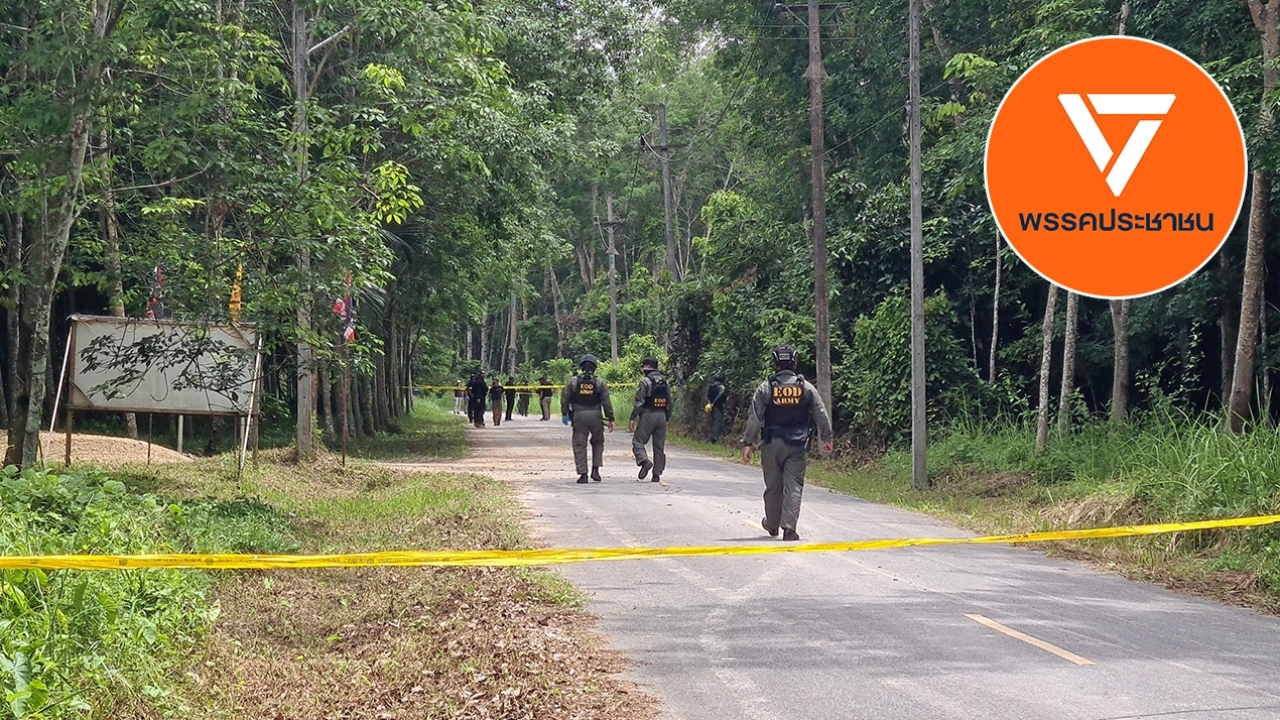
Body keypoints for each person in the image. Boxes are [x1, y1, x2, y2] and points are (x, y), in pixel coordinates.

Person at [741, 345, 833, 542]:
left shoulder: (766, 387)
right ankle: (789, 529)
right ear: (794, 362)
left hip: (771, 444)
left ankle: (772, 524)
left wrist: (748, 443)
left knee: (773, 486)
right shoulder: (805, 387)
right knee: (794, 486)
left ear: (774, 364)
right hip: (796, 445)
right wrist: (826, 437)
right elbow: (821, 413)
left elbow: (755, 418)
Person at [562, 355, 615, 483]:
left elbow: (565, 399)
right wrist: (611, 418)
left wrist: (565, 414)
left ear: (581, 367)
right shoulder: (599, 382)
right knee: (598, 443)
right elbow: (606, 402)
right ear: (595, 367)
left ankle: (583, 474)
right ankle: (596, 470)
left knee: (580, 445)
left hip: (579, 416)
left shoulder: (574, 381)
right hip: (596, 416)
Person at [629, 356, 671, 483]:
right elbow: (670, 402)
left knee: (638, 442)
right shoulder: (665, 382)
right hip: (662, 416)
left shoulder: (645, 382)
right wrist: (667, 418)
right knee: (659, 447)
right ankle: (656, 474)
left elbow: (639, 402)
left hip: (648, 414)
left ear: (647, 367)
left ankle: (644, 461)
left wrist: (633, 418)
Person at [707, 373, 727, 443]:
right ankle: (714, 439)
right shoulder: (721, 386)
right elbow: (721, 394)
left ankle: (711, 436)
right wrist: (714, 403)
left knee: (712, 421)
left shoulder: (711, 386)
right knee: (717, 422)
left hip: (711, 406)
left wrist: (710, 403)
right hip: (718, 406)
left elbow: (708, 396)